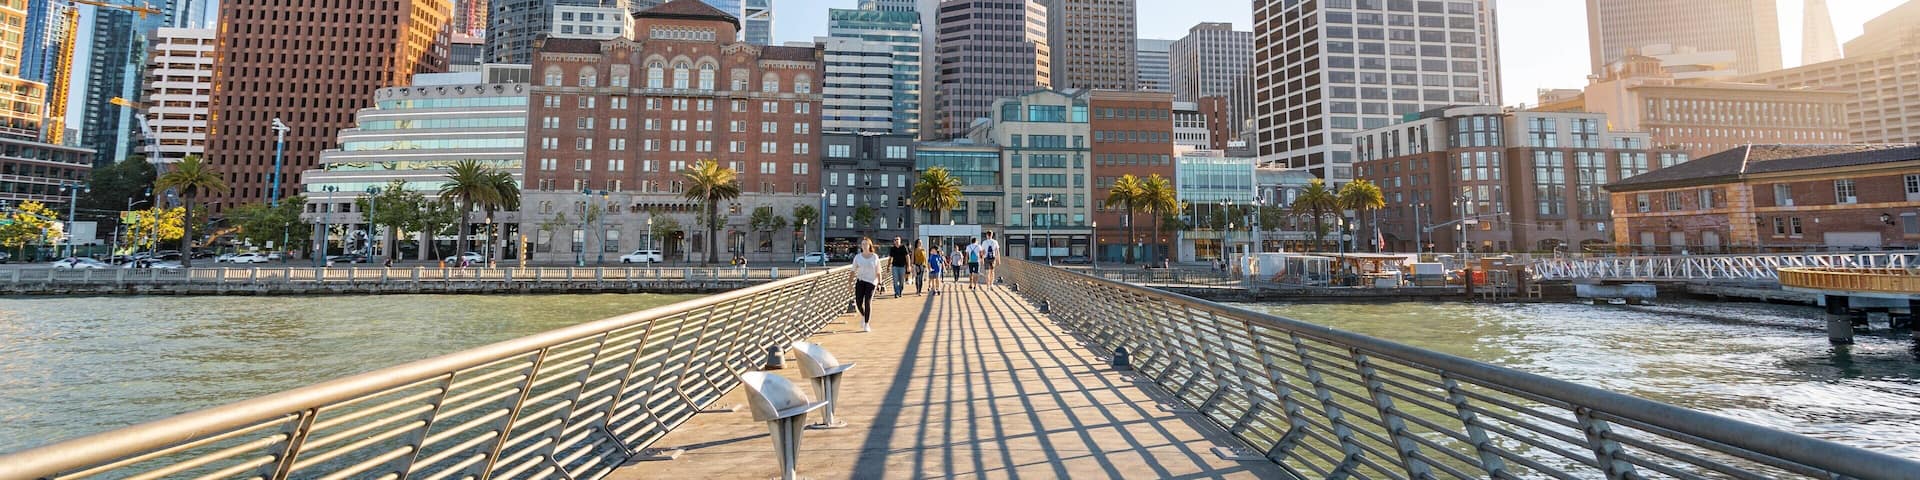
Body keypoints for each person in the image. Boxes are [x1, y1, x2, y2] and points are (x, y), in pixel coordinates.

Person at [851, 237, 881, 332]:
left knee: (867, 301)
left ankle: (867, 324)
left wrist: (880, 283)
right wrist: (849, 283)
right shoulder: (858, 257)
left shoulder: (874, 257)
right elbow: (853, 270)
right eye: (862, 244)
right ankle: (864, 316)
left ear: (869, 245)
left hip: (871, 282)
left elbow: (878, 271)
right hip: (860, 281)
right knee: (859, 303)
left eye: (865, 244)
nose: (864, 246)